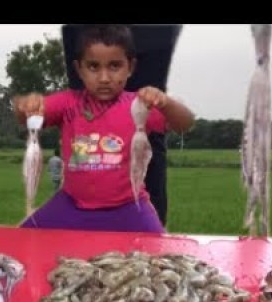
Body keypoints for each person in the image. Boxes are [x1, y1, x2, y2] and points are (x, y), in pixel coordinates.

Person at [12, 24, 194, 233]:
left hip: (129, 208)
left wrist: (165, 102)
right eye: (93, 67)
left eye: (115, 66)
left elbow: (184, 124)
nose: (104, 78)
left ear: (131, 67)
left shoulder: (139, 106)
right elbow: (25, 115)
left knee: (161, 254)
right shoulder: (67, 102)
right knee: (21, 239)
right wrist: (25, 105)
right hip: (71, 205)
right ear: (79, 69)